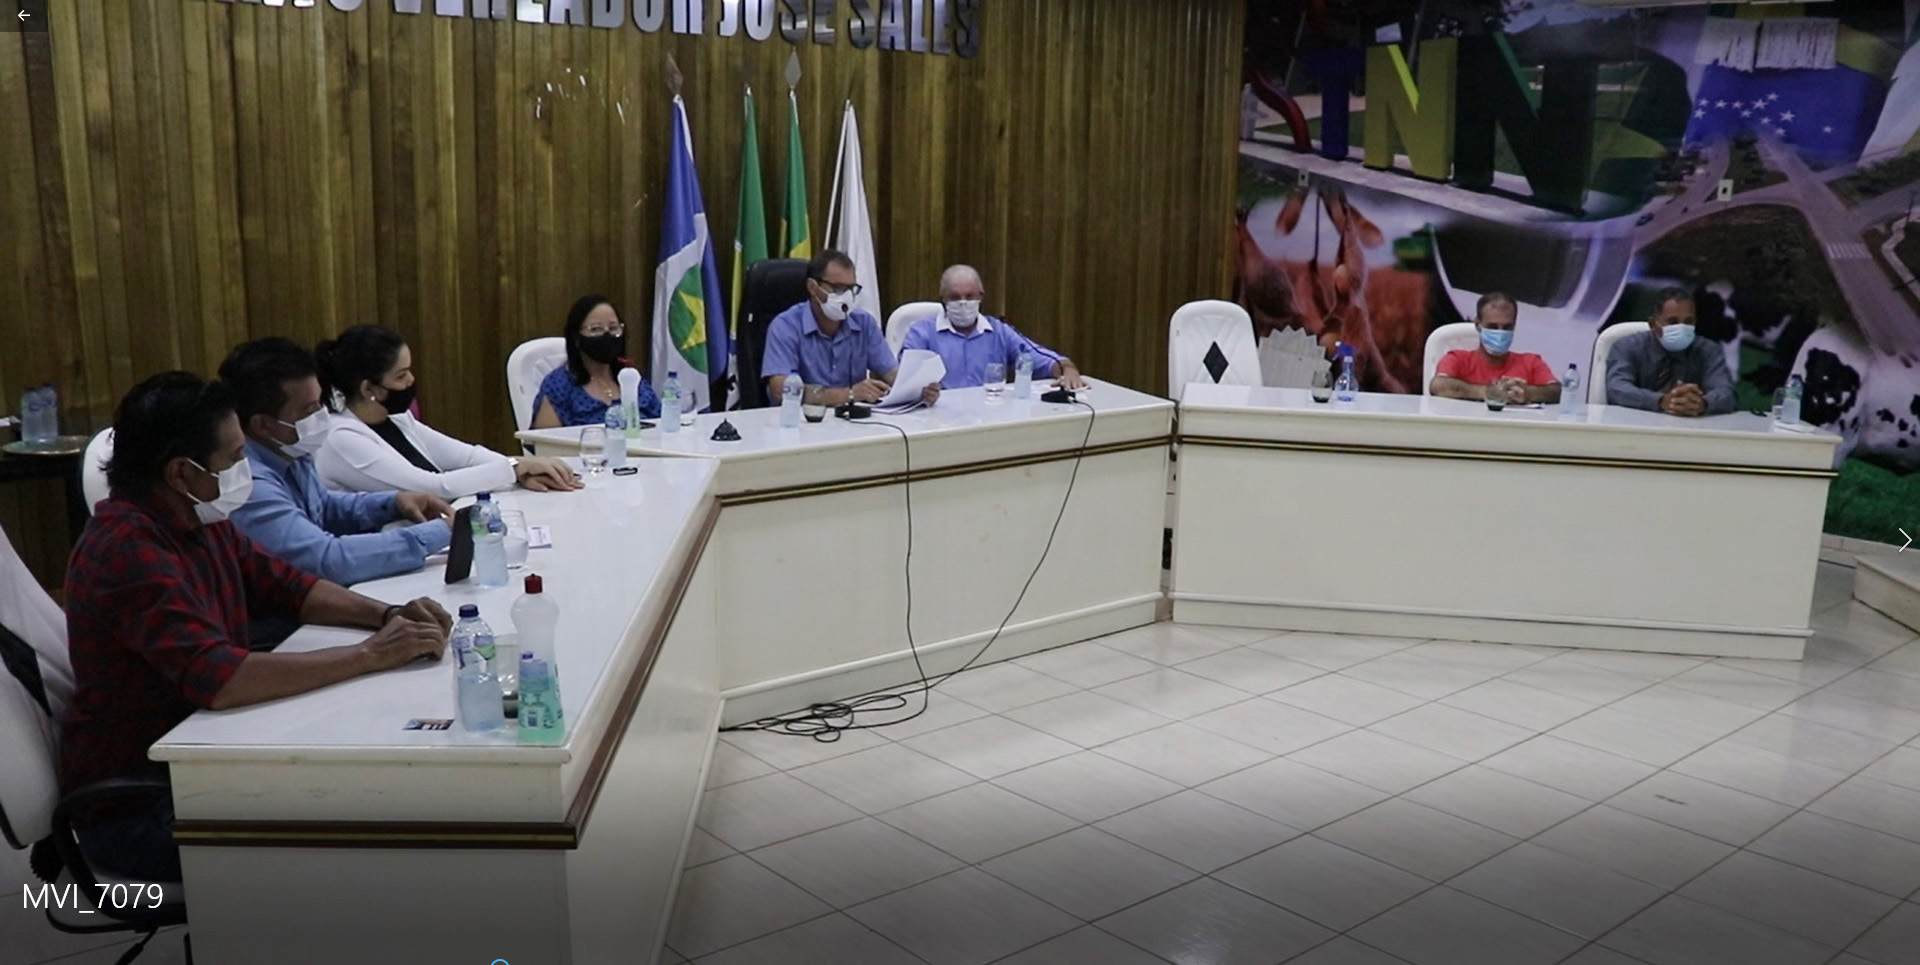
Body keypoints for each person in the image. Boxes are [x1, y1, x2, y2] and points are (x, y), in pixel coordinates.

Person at [61, 372, 452, 881]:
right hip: (145, 808)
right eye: (233, 458)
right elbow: (223, 680)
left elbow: (287, 587)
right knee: (367, 828)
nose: (244, 469)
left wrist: (386, 616)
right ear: (182, 472)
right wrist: (373, 654)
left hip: (205, 760)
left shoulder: (199, 518)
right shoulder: (128, 552)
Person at [220, 337, 454, 586]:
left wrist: (394, 502)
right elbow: (326, 559)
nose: (322, 416)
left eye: (320, 403)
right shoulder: (247, 484)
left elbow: (322, 507)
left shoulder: (288, 447)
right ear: (263, 424)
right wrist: (442, 532)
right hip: (284, 620)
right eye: (308, 410)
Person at [314, 324, 580, 499]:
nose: (411, 381)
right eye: (401, 376)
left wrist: (523, 470)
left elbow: (467, 457)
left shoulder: (396, 417)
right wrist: (514, 467)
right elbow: (431, 487)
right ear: (369, 388)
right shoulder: (341, 438)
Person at [763, 250, 942, 407]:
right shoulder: (786, 326)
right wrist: (847, 394)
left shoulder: (863, 324)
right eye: (838, 288)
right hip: (799, 423)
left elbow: (892, 373)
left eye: (851, 288)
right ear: (812, 287)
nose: (847, 296)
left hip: (851, 424)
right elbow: (780, 389)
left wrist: (919, 389)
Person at [899, 265, 1087, 390]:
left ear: (981, 297)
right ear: (942, 299)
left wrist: (1066, 369)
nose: (963, 303)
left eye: (970, 296)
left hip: (990, 416)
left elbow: (1040, 358)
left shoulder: (1000, 331)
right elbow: (904, 381)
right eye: (955, 297)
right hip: (936, 421)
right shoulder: (921, 333)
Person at [530, 295, 661, 429]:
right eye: (596, 329)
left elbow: (664, 425)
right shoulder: (559, 386)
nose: (606, 335)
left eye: (613, 328)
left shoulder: (631, 379)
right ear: (576, 338)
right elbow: (545, 444)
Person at [1605, 287, 1736, 417]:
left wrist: (1702, 403)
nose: (1682, 328)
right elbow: (1617, 388)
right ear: (1653, 325)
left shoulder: (1708, 350)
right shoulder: (1627, 346)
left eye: (1688, 322)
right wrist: (1661, 401)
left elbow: (1726, 392)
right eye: (1673, 322)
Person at [1429, 292, 1561, 404]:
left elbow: (1557, 391)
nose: (1500, 332)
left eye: (1507, 327)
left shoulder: (1531, 362)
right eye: (1493, 327)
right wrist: (1488, 392)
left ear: (1514, 326)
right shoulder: (1457, 358)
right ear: (1478, 324)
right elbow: (1439, 386)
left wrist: (1528, 393)